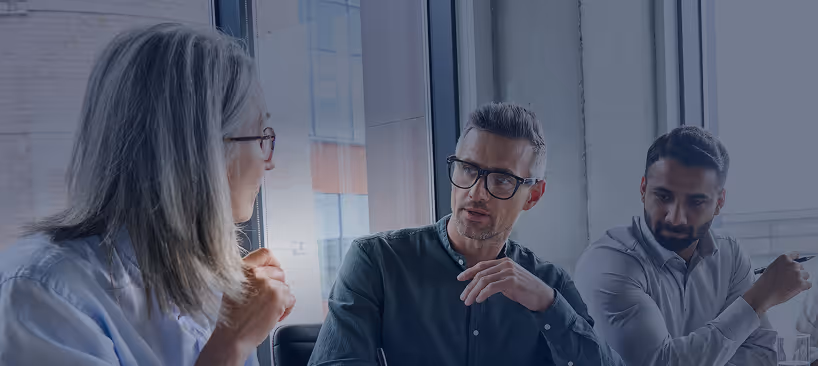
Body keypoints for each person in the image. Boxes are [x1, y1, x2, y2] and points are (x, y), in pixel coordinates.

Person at [0, 23, 295, 365]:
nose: (268, 162)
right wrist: (232, 344)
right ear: (203, 153)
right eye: (260, 137)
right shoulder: (40, 295)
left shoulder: (210, 285)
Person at [308, 103, 625, 366]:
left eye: (501, 179)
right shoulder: (377, 261)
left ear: (533, 196)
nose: (476, 192)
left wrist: (547, 306)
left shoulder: (549, 284)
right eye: (468, 169)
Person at [574, 126, 812, 366]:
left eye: (696, 202)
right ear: (643, 189)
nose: (675, 218)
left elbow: (762, 355)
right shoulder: (609, 263)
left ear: (719, 203)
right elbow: (659, 363)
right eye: (663, 197)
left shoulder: (729, 255)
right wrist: (757, 299)